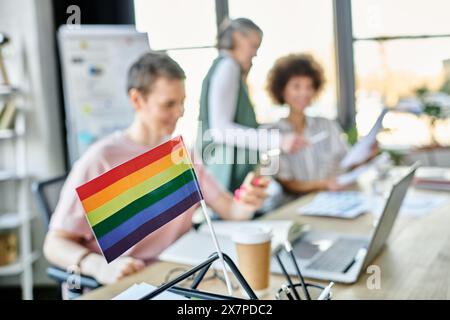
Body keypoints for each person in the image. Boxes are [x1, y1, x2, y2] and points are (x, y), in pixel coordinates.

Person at [43, 52, 269, 286]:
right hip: (130, 280)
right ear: (137, 100)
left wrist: (248, 201)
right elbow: (54, 243)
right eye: (169, 104)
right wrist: (97, 265)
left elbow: (231, 211)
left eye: (182, 102)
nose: (180, 112)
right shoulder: (101, 159)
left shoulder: (182, 154)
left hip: (181, 273)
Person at [198, 18, 305, 193]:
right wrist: (278, 141)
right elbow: (221, 130)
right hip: (222, 175)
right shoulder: (228, 66)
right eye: (253, 46)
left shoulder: (226, 66)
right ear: (237, 37)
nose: (254, 54)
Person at [266, 53, 376, 196]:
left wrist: (368, 156)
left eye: (309, 86)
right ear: (282, 90)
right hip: (294, 205)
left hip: (332, 199)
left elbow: (347, 165)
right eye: (296, 86)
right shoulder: (273, 133)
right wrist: (323, 184)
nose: (304, 93)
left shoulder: (327, 125)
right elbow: (286, 184)